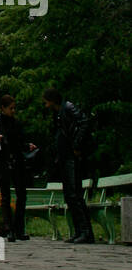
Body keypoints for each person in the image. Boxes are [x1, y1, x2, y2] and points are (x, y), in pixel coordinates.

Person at [43, 88, 95, 244]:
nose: (45, 105)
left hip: (72, 157)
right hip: (65, 157)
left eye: (46, 101)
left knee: (74, 194)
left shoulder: (68, 108)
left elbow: (84, 122)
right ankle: (79, 231)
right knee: (70, 196)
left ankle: (86, 232)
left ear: (52, 100)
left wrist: (77, 146)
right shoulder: (59, 114)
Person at [0, 95, 37, 242]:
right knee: (5, 197)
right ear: (3, 108)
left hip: (17, 162)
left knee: (21, 195)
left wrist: (28, 146)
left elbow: (20, 142)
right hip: (3, 163)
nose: (13, 111)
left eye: (14, 108)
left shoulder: (17, 123)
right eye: (11, 108)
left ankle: (19, 228)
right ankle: (9, 229)